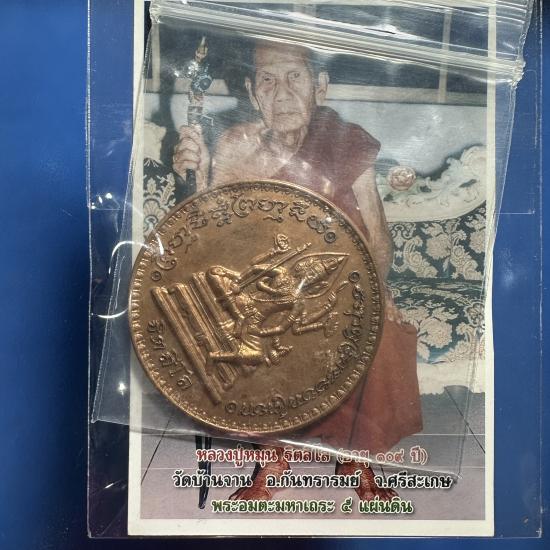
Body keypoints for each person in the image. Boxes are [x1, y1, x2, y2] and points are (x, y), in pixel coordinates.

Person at [171, 40, 422, 501]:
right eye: (267, 80)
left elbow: (377, 234)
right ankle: (273, 456)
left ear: (319, 87)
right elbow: (209, 238)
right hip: (266, 286)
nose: (282, 92)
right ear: (252, 92)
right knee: (248, 334)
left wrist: (378, 292)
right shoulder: (235, 145)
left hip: (343, 284)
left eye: (295, 78)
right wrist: (200, 177)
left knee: (380, 334)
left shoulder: (347, 141)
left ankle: (358, 457)